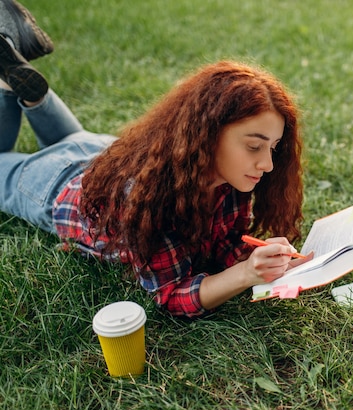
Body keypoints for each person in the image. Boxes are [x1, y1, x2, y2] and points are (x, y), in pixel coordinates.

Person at [0, 0, 311, 319]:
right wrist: (246, 274)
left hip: (99, 154)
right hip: (53, 186)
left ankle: (26, 88)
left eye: (272, 148)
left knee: (70, 139)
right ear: (208, 134)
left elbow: (223, 245)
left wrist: (258, 256)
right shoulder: (151, 200)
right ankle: (13, 87)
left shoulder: (227, 178)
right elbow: (171, 294)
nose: (268, 165)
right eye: (253, 146)